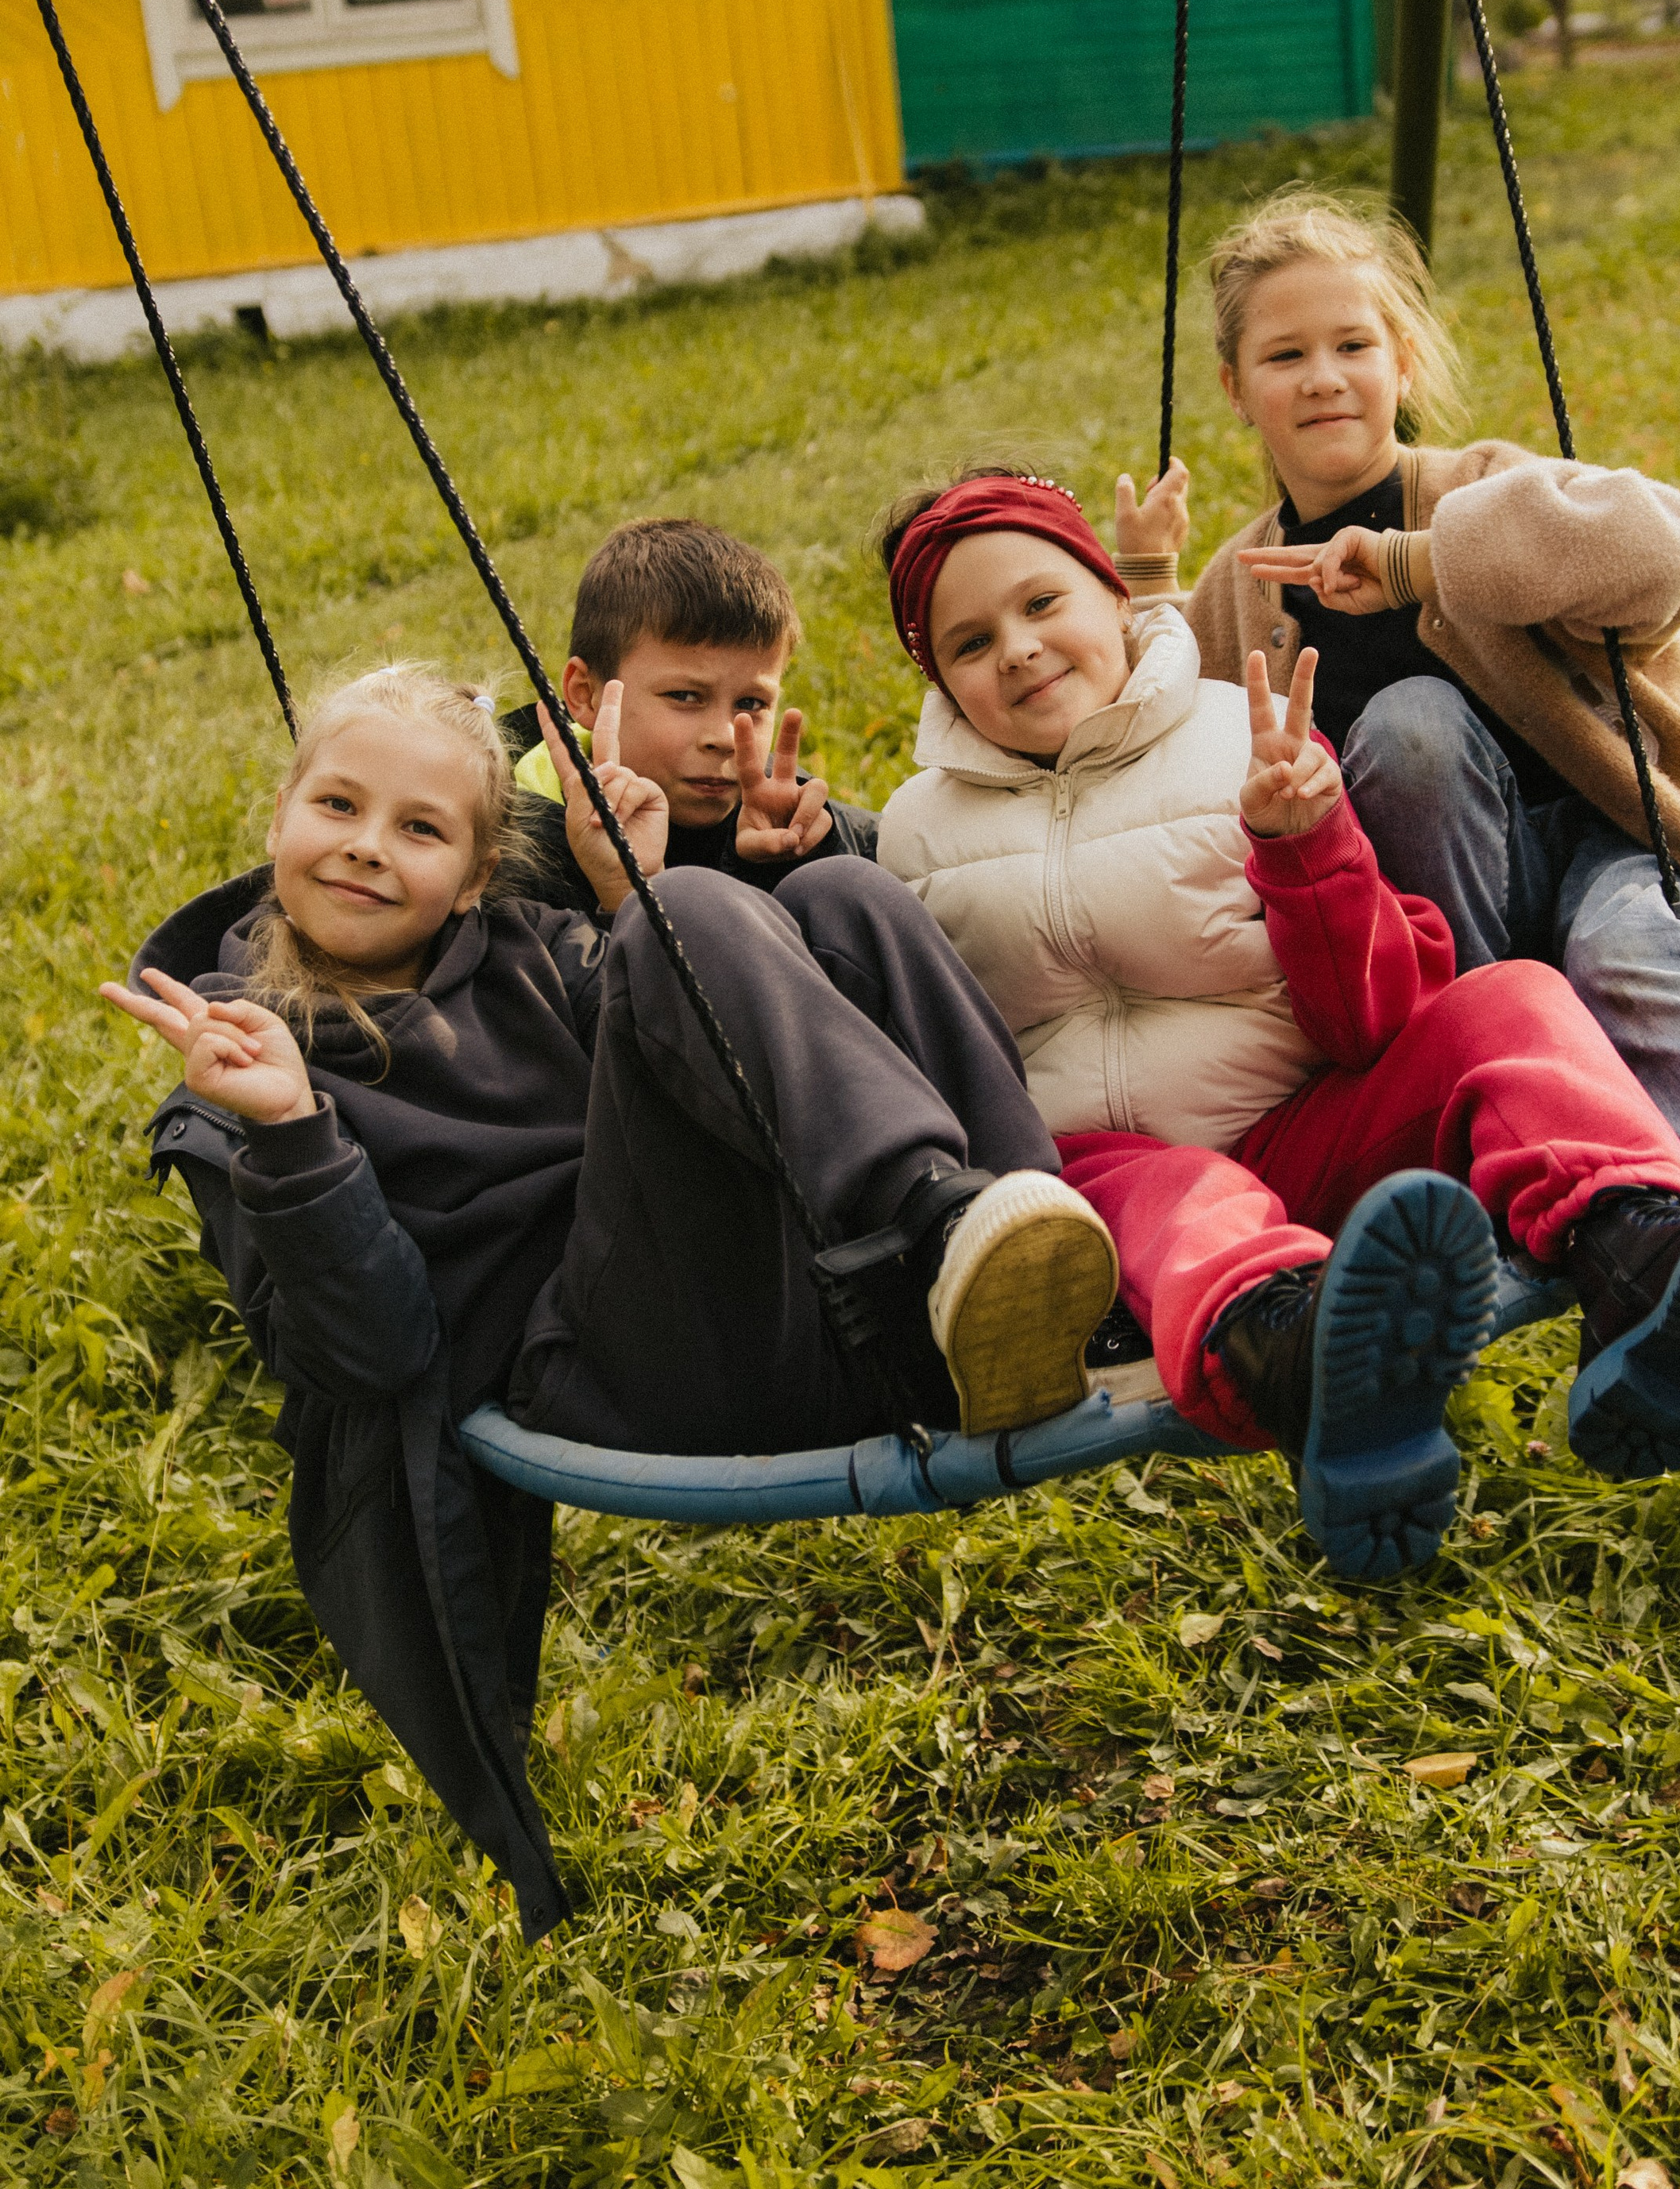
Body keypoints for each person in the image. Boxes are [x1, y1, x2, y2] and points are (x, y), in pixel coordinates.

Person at [108, 665, 1120, 1929]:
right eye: (339, 807)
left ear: (474, 876)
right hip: (602, 1361)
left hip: (776, 1291)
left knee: (838, 897)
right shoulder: (236, 1075)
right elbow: (370, 1354)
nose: (367, 847)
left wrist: (624, 893)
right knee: (677, 918)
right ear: (279, 817)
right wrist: (293, 1130)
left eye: (420, 828)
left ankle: (1036, 1254)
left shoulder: (527, 947)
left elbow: (722, 1043)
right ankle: (939, 1217)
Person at [1139, 189, 1680, 1511]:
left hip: (1611, 853)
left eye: (1354, 344)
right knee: (1414, 739)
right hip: (1459, 963)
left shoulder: (1482, 486)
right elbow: (1151, 765)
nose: (1324, 377)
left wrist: (1421, 563)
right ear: (1233, 387)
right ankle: (1577, 1194)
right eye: (1285, 354)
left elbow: (1673, 551)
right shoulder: (1234, 593)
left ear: (1403, 360)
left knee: (1611, 928)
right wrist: (1146, 590)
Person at [874, 468, 1680, 1581]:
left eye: (1041, 603)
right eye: (970, 644)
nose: (1015, 650)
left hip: (1310, 1123)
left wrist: (1308, 846)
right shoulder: (915, 837)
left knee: (1509, 1000)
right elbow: (931, 1044)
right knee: (1180, 1195)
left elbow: (1370, 1018)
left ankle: (1640, 1249)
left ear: (1115, 594)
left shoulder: (1240, 736)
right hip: (1120, 1175)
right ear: (940, 681)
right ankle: (1306, 1359)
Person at [499, 515, 876, 917]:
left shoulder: (778, 806)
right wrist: (623, 891)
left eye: (751, 704)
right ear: (586, 695)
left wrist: (790, 863)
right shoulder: (505, 851)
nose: (725, 737)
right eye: (684, 696)